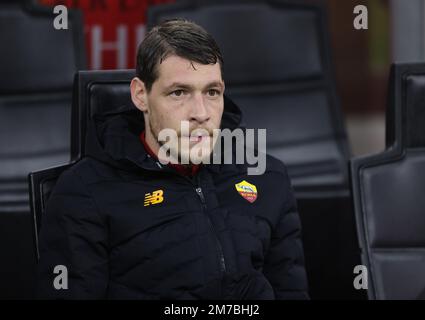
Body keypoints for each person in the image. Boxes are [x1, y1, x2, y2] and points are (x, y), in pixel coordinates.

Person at [37, 18, 309, 299]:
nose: (201, 113)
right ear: (141, 95)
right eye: (179, 93)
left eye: (212, 92)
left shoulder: (267, 176)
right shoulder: (84, 191)